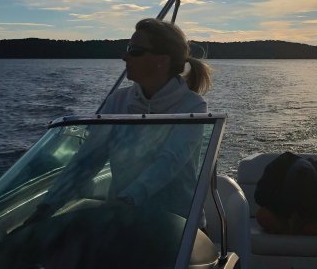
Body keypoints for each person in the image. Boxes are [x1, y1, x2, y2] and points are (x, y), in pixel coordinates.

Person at [32, 18, 213, 220]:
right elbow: (87, 161)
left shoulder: (193, 107)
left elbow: (169, 162)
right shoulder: (118, 102)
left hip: (177, 223)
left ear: (162, 59)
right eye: (128, 48)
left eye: (134, 50)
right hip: (123, 218)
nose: (125, 57)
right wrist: (47, 207)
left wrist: (127, 200)